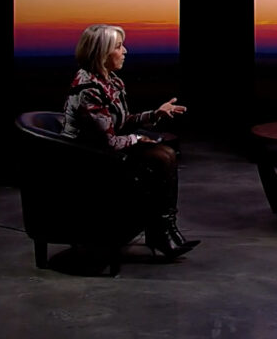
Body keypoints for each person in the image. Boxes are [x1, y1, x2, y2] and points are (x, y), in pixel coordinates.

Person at [62, 23, 197, 260]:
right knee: (161, 156)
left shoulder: (111, 82)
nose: (125, 51)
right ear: (101, 53)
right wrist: (137, 139)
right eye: (118, 47)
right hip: (87, 159)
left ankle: (164, 231)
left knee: (166, 154)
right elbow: (108, 141)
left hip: (104, 150)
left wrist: (156, 114)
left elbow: (122, 122)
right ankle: (162, 233)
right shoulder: (88, 90)